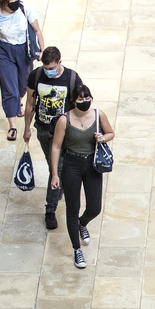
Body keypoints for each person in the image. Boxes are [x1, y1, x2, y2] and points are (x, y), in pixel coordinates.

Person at [49, 83, 114, 270]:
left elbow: (111, 132)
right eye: (80, 99)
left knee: (94, 207)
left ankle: (82, 224)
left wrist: (103, 138)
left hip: (92, 164)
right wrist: (55, 174)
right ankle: (76, 248)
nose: (84, 102)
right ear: (73, 101)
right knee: (72, 207)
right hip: (72, 165)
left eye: (87, 99)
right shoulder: (64, 120)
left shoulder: (98, 115)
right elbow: (56, 146)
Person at [23, 47, 81, 231]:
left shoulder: (71, 78)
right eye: (45, 67)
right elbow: (30, 103)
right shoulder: (36, 75)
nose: (48, 71)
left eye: (52, 67)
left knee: (57, 168)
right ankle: (59, 188)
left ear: (59, 62)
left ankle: (50, 208)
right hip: (43, 129)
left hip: (63, 132)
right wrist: (26, 128)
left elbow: (80, 106)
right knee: (53, 165)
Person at [0, 0, 43, 140]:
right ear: (3, 0)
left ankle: (18, 103)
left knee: (24, 84)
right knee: (9, 88)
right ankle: (13, 125)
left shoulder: (24, 9)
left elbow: (37, 30)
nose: (16, 1)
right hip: (4, 52)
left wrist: (42, 49)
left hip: (23, 51)